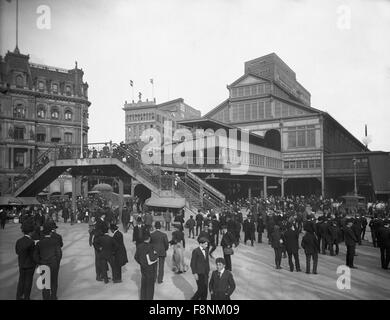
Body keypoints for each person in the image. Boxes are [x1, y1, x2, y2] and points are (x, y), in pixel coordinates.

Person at [33, 222, 62, 300]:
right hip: (53, 264)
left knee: (45, 283)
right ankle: (53, 296)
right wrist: (56, 262)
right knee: (54, 282)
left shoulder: (39, 243)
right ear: (50, 232)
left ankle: (46, 298)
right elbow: (59, 254)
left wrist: (39, 262)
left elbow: (35, 255)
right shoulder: (55, 242)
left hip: (43, 263)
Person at [134, 232, 158, 300]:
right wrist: (156, 255)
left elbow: (136, 257)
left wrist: (141, 263)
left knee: (143, 284)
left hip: (143, 267)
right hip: (150, 268)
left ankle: (143, 298)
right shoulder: (150, 246)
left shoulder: (139, 246)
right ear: (149, 238)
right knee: (150, 285)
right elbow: (152, 258)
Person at [15, 221, 36, 300]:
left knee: (21, 280)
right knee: (28, 282)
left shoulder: (19, 241)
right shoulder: (31, 242)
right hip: (30, 265)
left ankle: (19, 296)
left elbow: (17, 251)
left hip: (21, 263)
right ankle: (26, 297)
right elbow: (32, 255)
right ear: (30, 232)